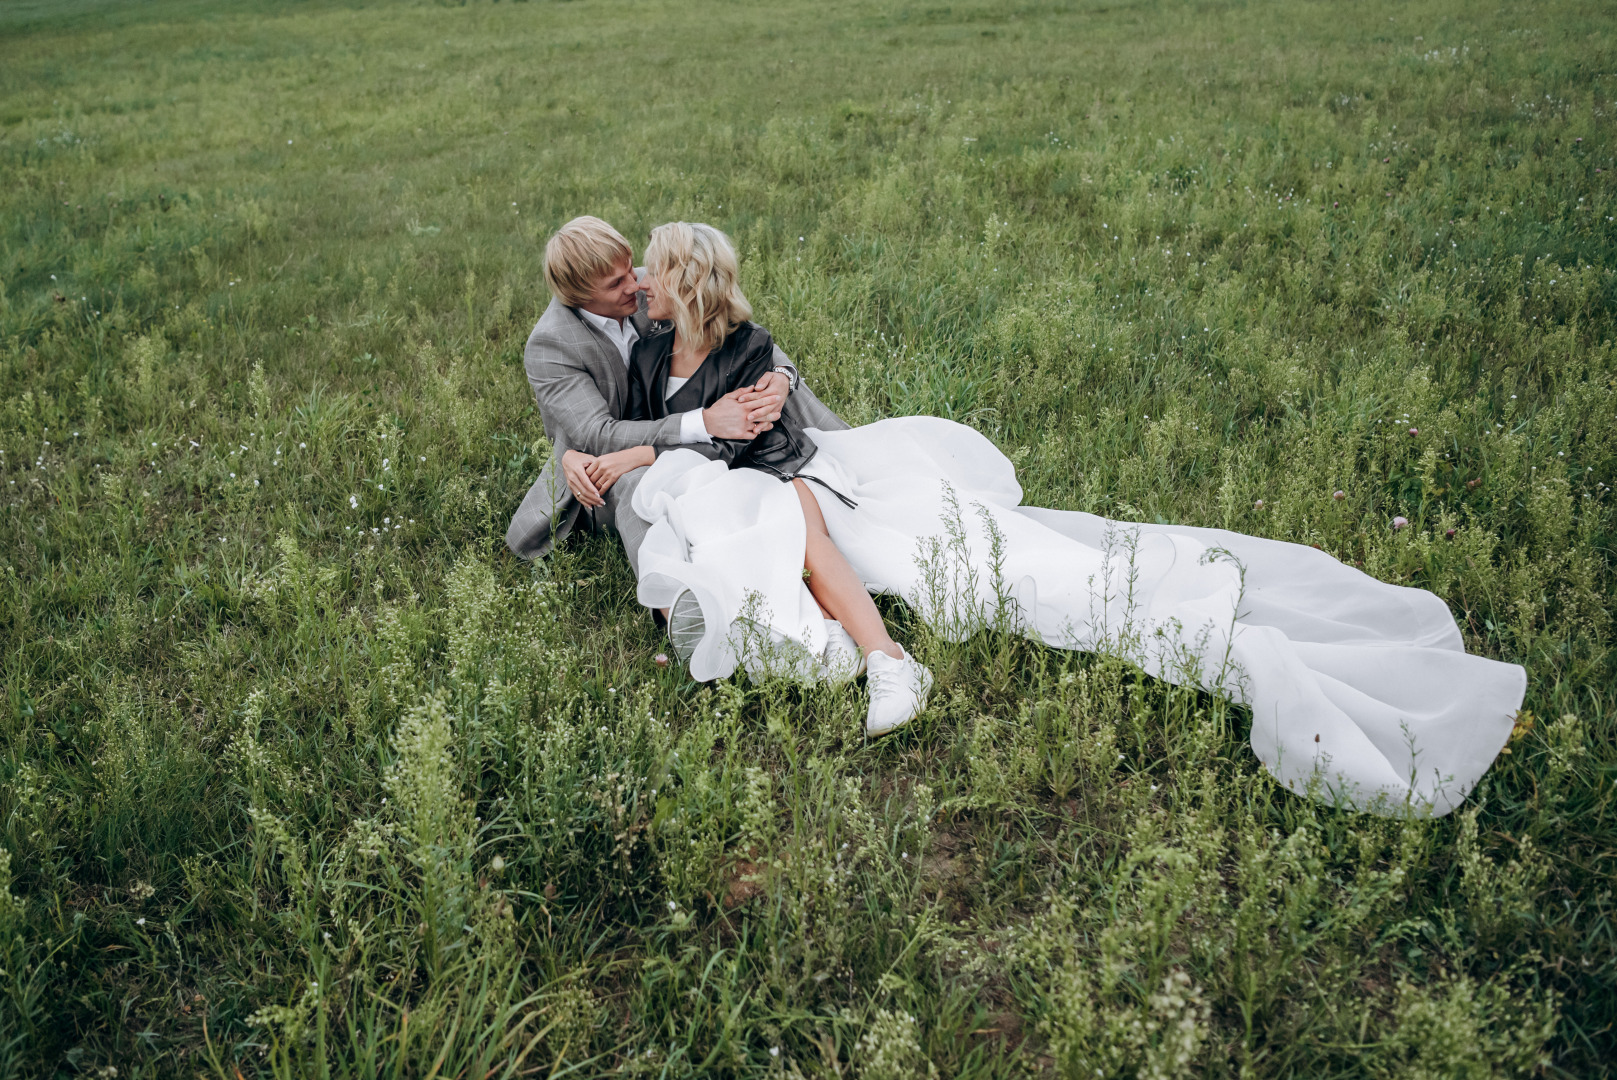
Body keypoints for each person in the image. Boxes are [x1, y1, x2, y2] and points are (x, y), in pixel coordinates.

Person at [622, 221, 1528, 816]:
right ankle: (829, 649)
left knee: (1004, 571)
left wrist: (741, 422)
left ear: (683, 281)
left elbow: (774, 434)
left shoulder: (752, 350)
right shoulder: (651, 348)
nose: (637, 289)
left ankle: (883, 662)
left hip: (796, 487)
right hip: (729, 496)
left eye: (649, 276)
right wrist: (619, 455)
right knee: (748, 539)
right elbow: (648, 433)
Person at [503, 215, 848, 594]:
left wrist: (782, 375)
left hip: (687, 439)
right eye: (617, 283)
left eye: (631, 269)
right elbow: (596, 434)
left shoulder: (645, 285)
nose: (635, 286)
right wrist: (703, 422)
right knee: (638, 483)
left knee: (768, 393)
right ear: (579, 297)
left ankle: (845, 455)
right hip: (605, 462)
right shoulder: (551, 343)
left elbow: (732, 330)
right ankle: (675, 598)